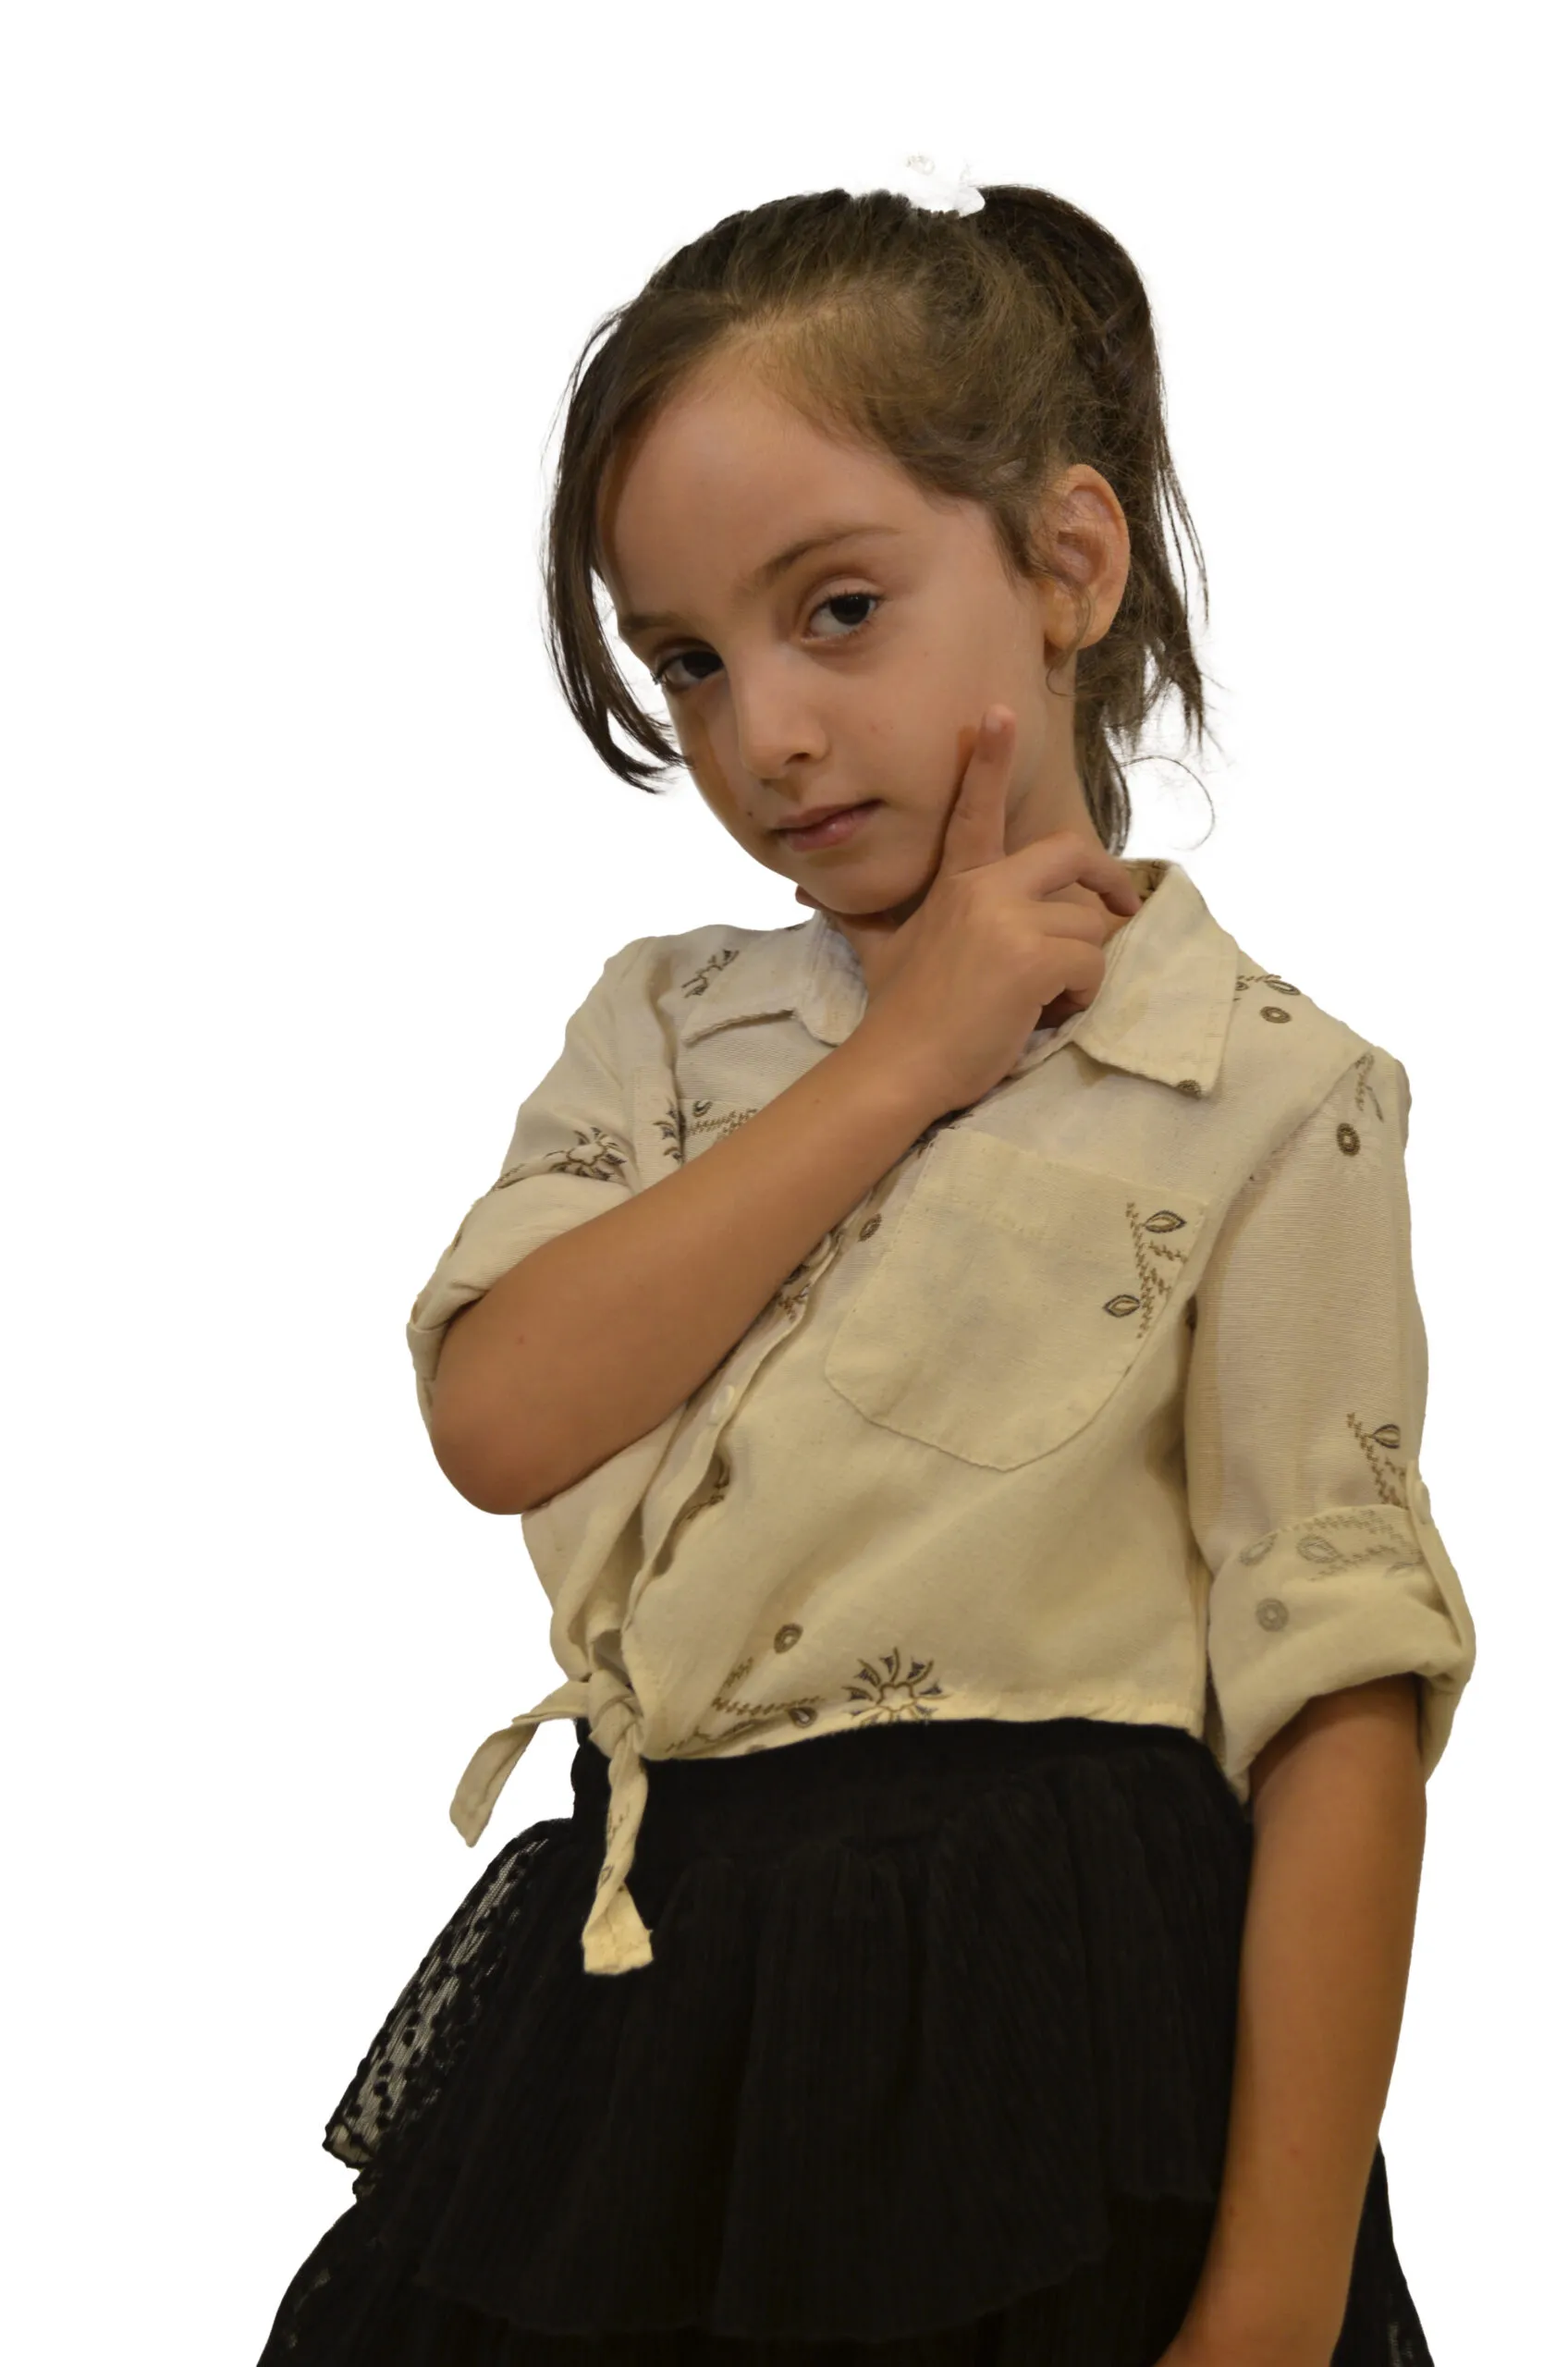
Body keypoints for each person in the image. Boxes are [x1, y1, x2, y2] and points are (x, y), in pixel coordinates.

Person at [256, 173, 1476, 2367]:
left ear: (1067, 564)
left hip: (1053, 2047)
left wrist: (1274, 2296)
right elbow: (499, 1412)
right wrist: (903, 1060)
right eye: (689, 662)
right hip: (655, 2025)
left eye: (836, 610)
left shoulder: (1271, 1092)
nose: (765, 736)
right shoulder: (665, 1029)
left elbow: (1336, 1696)